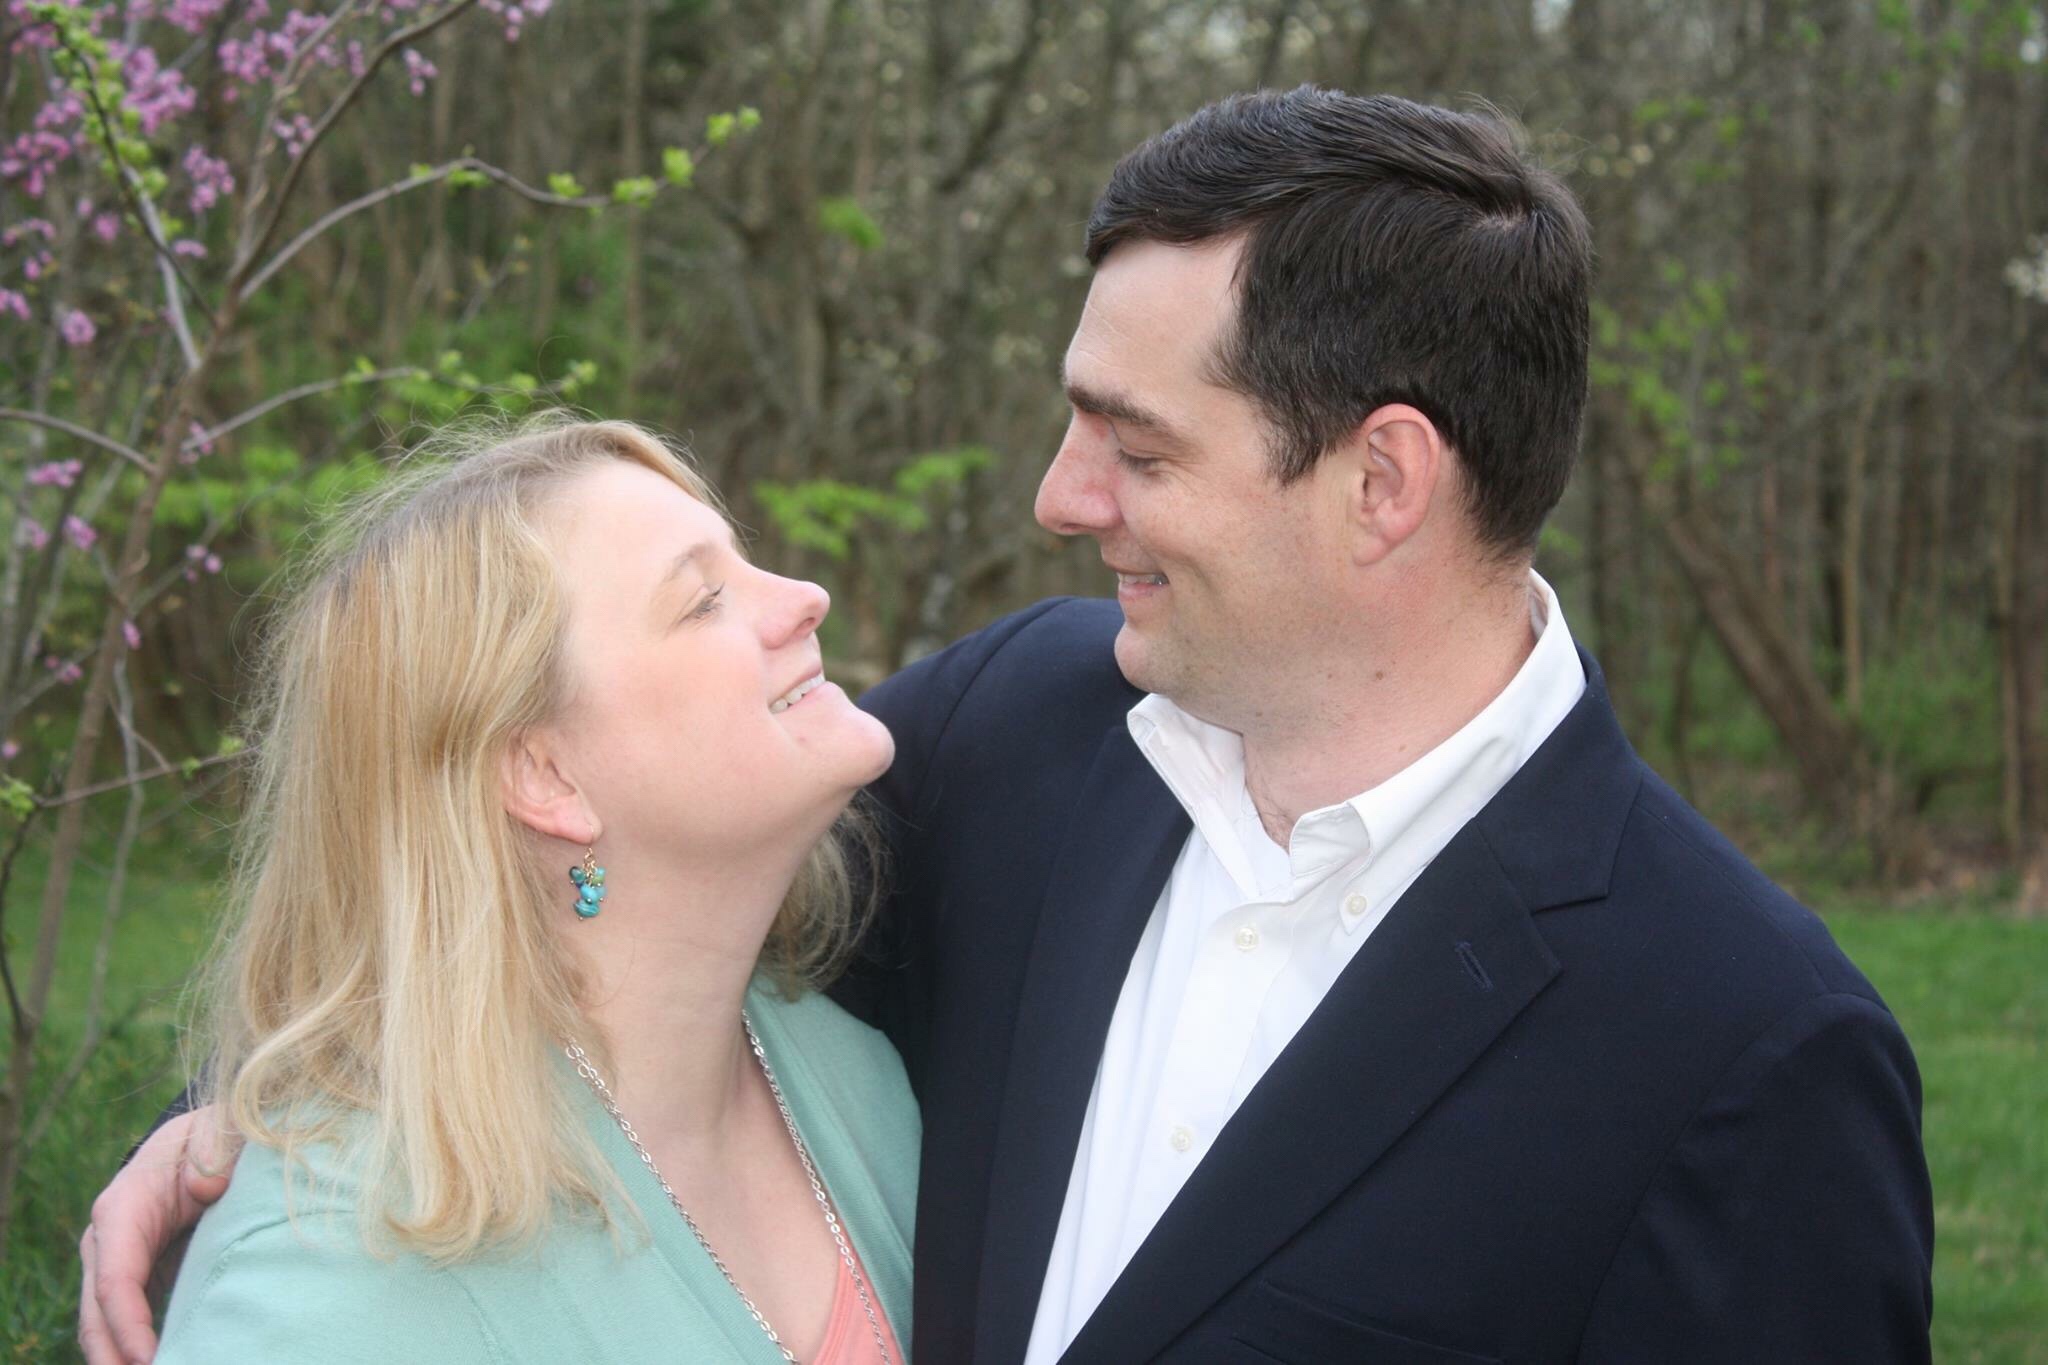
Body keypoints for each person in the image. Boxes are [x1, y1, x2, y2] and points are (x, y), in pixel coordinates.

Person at [85, 89, 1933, 1364]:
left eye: (1137, 448)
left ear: (1382, 482)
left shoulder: (1741, 1052)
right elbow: (553, 913)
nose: (1061, 497)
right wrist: (235, 1135)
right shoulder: (1021, 734)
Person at [126, 419, 916, 1363]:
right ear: (546, 777)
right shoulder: (325, 1278)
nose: (807, 597)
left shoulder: (863, 1080)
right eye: (705, 599)